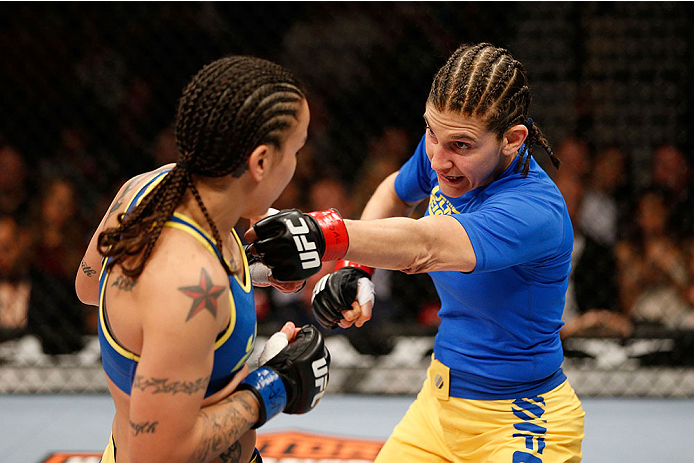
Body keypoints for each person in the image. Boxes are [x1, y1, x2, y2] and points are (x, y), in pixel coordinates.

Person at [247, 43, 585, 462]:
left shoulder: (534, 210)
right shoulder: (449, 154)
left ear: (512, 140)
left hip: (521, 421)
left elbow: (426, 245)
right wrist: (356, 268)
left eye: (460, 145)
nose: (439, 160)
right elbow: (394, 191)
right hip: (437, 408)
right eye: (431, 133)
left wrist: (323, 233)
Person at [75, 56, 330, 463]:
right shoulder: (191, 284)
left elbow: (91, 287)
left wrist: (247, 269)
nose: (297, 165)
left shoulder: (146, 189)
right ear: (261, 162)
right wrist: (273, 385)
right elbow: (156, 455)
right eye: (296, 150)